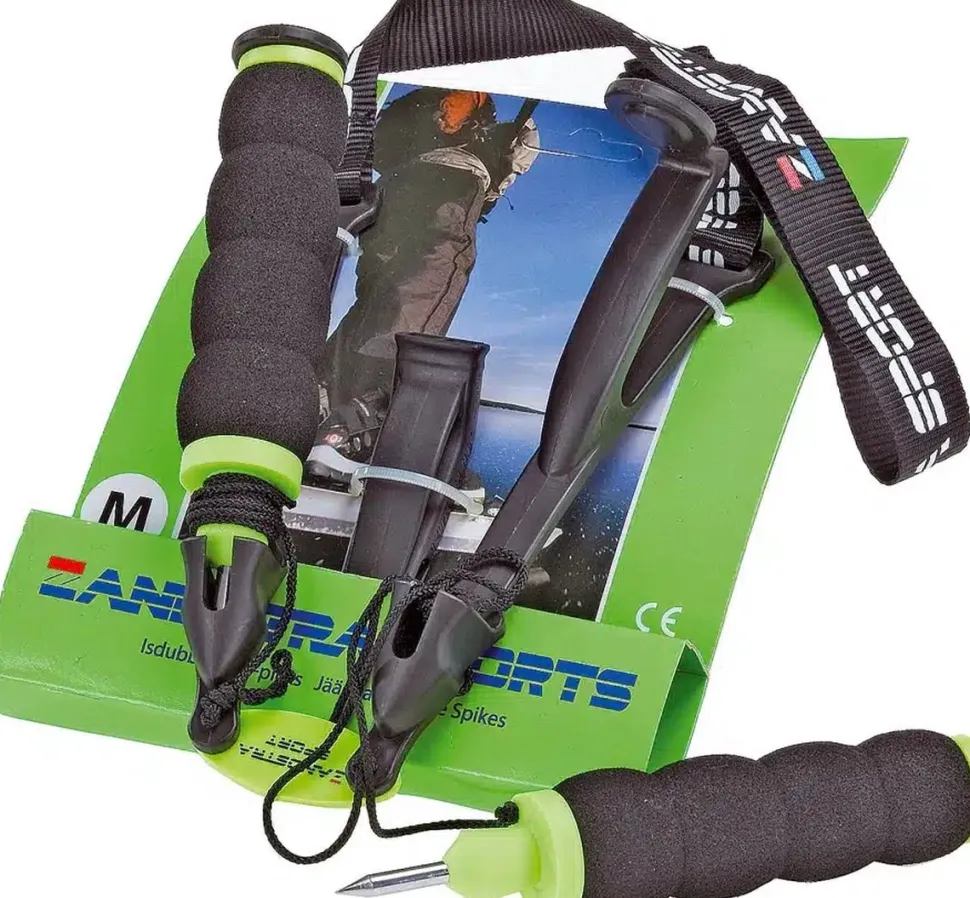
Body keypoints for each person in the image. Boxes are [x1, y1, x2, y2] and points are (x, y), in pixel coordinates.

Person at [309, 87, 539, 474]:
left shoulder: (425, 109)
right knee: (425, 288)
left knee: (377, 299)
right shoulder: (485, 124)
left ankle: (318, 403)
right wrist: (504, 153)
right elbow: (523, 145)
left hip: (392, 192)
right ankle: (357, 425)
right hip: (450, 184)